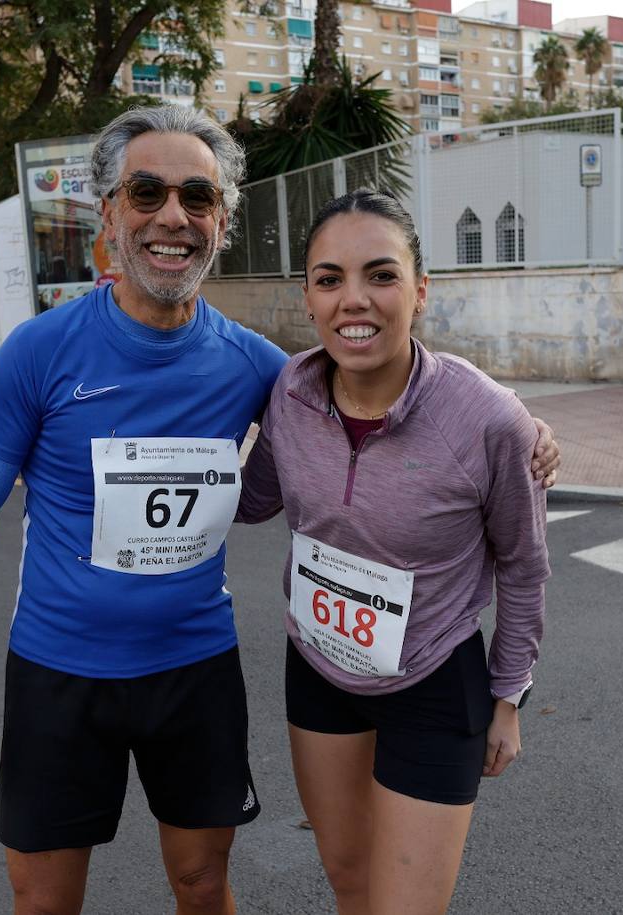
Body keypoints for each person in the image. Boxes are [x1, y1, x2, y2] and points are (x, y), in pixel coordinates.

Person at [0, 108, 561, 915]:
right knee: (43, 899)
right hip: (60, 670)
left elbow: (381, 377)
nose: (172, 217)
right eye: (146, 192)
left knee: (201, 882)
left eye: (198, 195)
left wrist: (524, 430)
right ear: (110, 213)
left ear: (221, 220)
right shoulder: (38, 355)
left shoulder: (262, 368)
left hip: (195, 672)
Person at [237, 189, 550, 915]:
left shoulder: (488, 421)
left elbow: (524, 565)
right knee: (350, 883)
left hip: (434, 679)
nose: (355, 300)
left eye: (381, 275)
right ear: (308, 298)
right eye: (329, 279)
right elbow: (251, 500)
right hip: (318, 668)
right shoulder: (289, 391)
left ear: (420, 290)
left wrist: (509, 696)